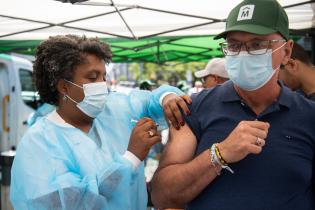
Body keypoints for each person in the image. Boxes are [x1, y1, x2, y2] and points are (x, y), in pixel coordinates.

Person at [151, 0, 315, 210]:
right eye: (234, 45)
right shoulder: (195, 107)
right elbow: (162, 196)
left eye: (257, 44)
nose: (243, 54)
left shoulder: (308, 116)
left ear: (287, 51)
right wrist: (219, 154)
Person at [10, 35, 192, 210]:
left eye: (103, 77)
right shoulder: (40, 142)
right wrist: (131, 158)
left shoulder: (116, 109)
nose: (102, 85)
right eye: (92, 77)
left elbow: (152, 101)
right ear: (64, 86)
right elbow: (72, 203)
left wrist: (167, 98)